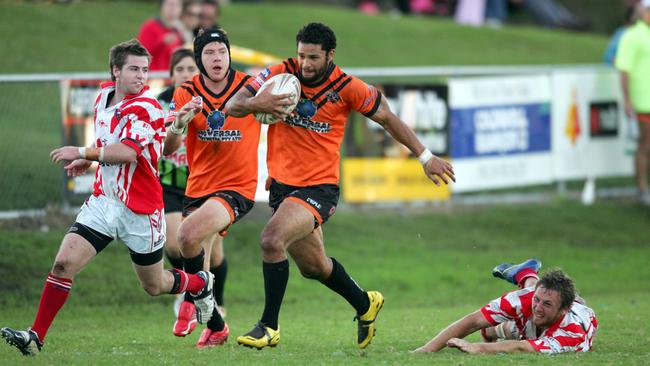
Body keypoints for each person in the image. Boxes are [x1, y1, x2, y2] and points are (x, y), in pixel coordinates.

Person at [225, 22, 455, 350]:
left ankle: (269, 326)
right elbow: (234, 104)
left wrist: (425, 156)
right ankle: (365, 303)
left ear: (330, 55)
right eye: (301, 55)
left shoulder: (348, 87)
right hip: (281, 187)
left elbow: (388, 118)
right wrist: (257, 104)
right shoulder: (279, 73)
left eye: (314, 57)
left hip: (318, 189)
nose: (305, 64)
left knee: (271, 239)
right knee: (314, 267)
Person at [0, 39, 215, 357]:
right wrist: (89, 160)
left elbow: (127, 153)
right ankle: (35, 337)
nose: (141, 77)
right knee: (62, 264)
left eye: (144, 70)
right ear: (115, 70)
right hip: (104, 201)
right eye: (133, 69)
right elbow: (108, 140)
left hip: (141, 209)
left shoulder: (147, 106)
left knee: (153, 286)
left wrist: (82, 151)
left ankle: (199, 284)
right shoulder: (103, 96)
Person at [164, 27, 261, 348]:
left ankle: (190, 305)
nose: (217, 57)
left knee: (187, 236)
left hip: (237, 187)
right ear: (200, 59)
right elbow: (168, 148)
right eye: (209, 53)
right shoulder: (186, 91)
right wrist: (179, 123)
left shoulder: (249, 86)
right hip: (199, 186)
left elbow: (273, 114)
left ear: (229, 54)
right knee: (197, 253)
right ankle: (216, 325)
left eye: (221, 51)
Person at [413, 259, 598, 354]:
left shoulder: (572, 333)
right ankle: (526, 274)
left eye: (547, 304)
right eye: (537, 300)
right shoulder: (524, 299)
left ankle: (525, 273)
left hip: (570, 318)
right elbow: (473, 321)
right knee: (529, 307)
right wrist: (426, 350)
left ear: (564, 310)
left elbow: (521, 347)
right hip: (537, 304)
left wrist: (477, 347)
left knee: (517, 331)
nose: (538, 307)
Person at [616, 0, 650, 206]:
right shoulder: (632, 36)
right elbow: (624, 70)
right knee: (645, 146)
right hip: (643, 101)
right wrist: (627, 99)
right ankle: (642, 189)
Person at [137, 0, 184, 72]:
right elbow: (139, 53)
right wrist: (162, 42)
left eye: (177, 5)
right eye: (170, 4)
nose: (173, 8)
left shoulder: (178, 31)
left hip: (169, 78)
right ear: (162, 6)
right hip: (151, 77)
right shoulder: (150, 27)